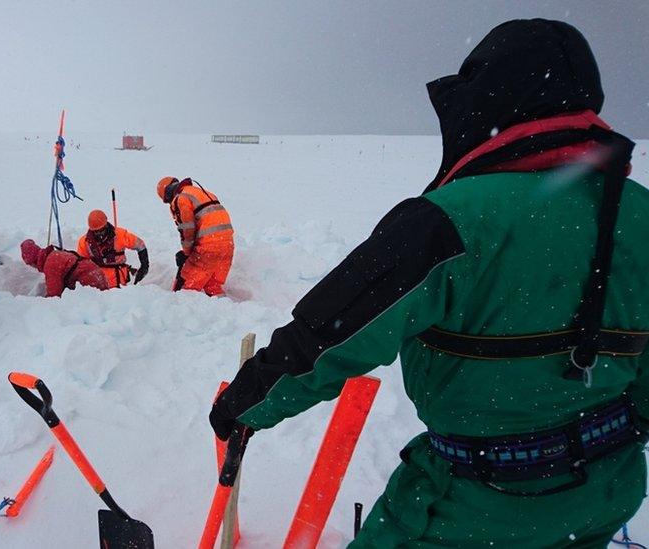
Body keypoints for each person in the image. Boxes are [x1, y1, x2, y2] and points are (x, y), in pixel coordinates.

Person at [209, 19, 649, 547]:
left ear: (487, 102)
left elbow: (330, 336)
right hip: (605, 487)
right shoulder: (639, 214)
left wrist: (244, 405)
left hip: (469, 505)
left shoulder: (446, 222)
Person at [156, 177, 233, 296]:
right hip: (227, 246)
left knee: (187, 290)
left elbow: (188, 229)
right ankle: (225, 311)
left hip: (209, 248)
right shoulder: (204, 193)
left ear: (168, 194)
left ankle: (180, 313)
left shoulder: (181, 198)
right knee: (212, 286)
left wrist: (186, 253)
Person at [76, 209, 149, 288]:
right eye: (96, 232)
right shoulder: (84, 242)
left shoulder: (120, 235)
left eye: (101, 230)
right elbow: (81, 265)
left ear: (106, 225)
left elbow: (140, 245)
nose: (99, 234)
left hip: (121, 284)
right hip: (98, 285)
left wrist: (144, 266)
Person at [20, 239, 108, 297]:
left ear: (33, 261)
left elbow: (54, 295)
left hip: (88, 280)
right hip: (96, 274)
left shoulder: (50, 265)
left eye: (30, 264)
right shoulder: (54, 254)